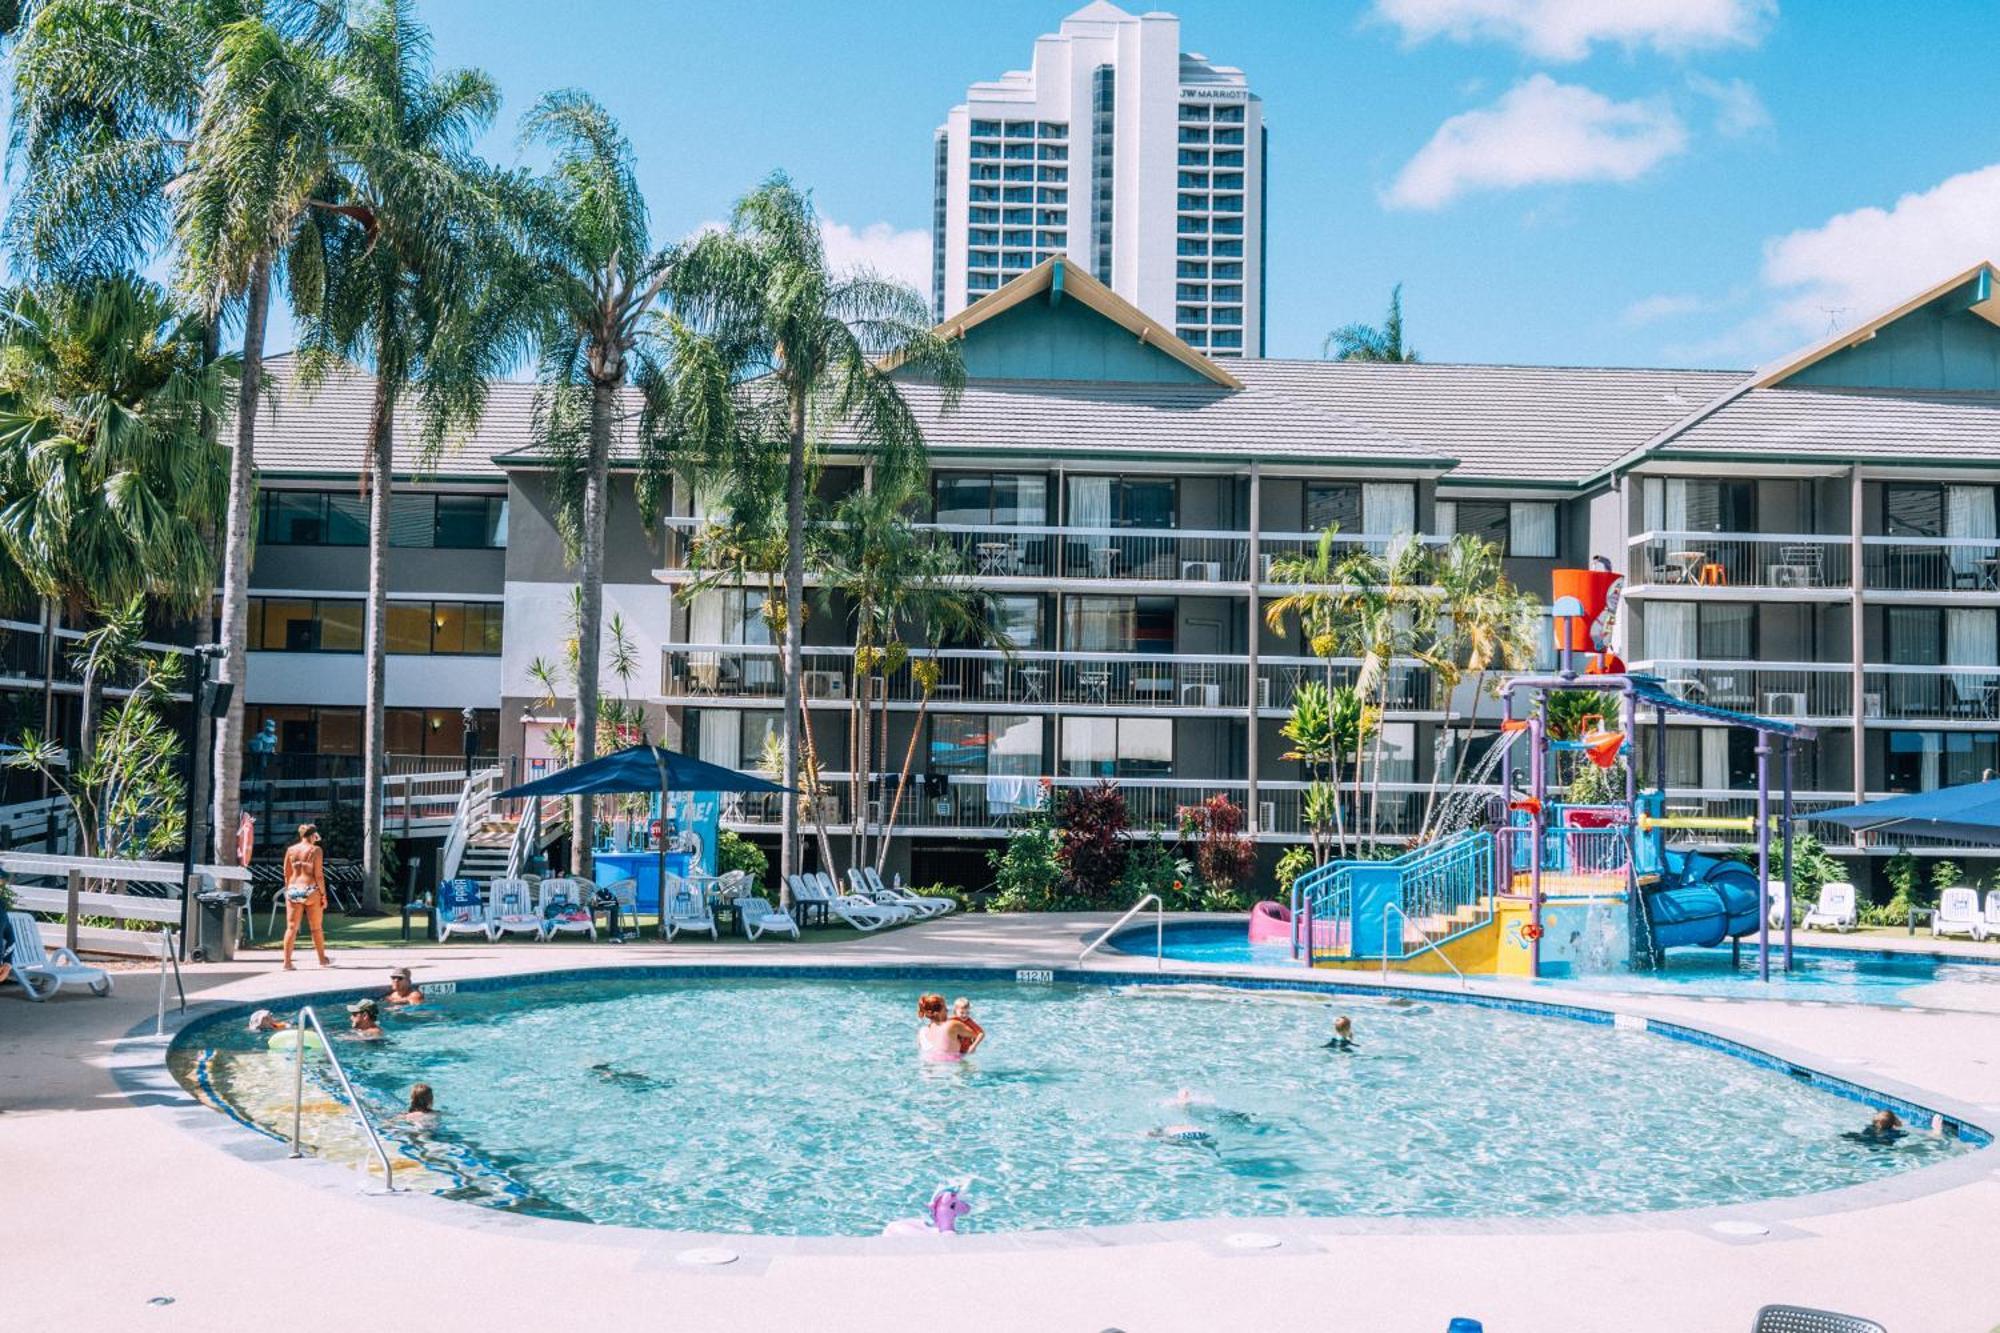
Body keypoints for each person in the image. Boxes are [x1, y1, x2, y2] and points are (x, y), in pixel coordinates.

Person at [280, 823, 331, 971]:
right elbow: (319, 875)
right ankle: (322, 959)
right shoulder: (316, 850)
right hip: (310, 888)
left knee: (291, 927)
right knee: (316, 928)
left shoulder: (291, 850)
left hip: (294, 888)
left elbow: (286, 873)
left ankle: (287, 963)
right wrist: (323, 895)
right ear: (313, 835)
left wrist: (290, 889)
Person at [917, 993, 976, 1064]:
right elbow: (976, 1034)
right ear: (937, 1013)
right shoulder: (953, 1025)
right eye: (945, 1008)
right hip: (949, 1071)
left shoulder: (922, 1032)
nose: (947, 1011)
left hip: (926, 1073)